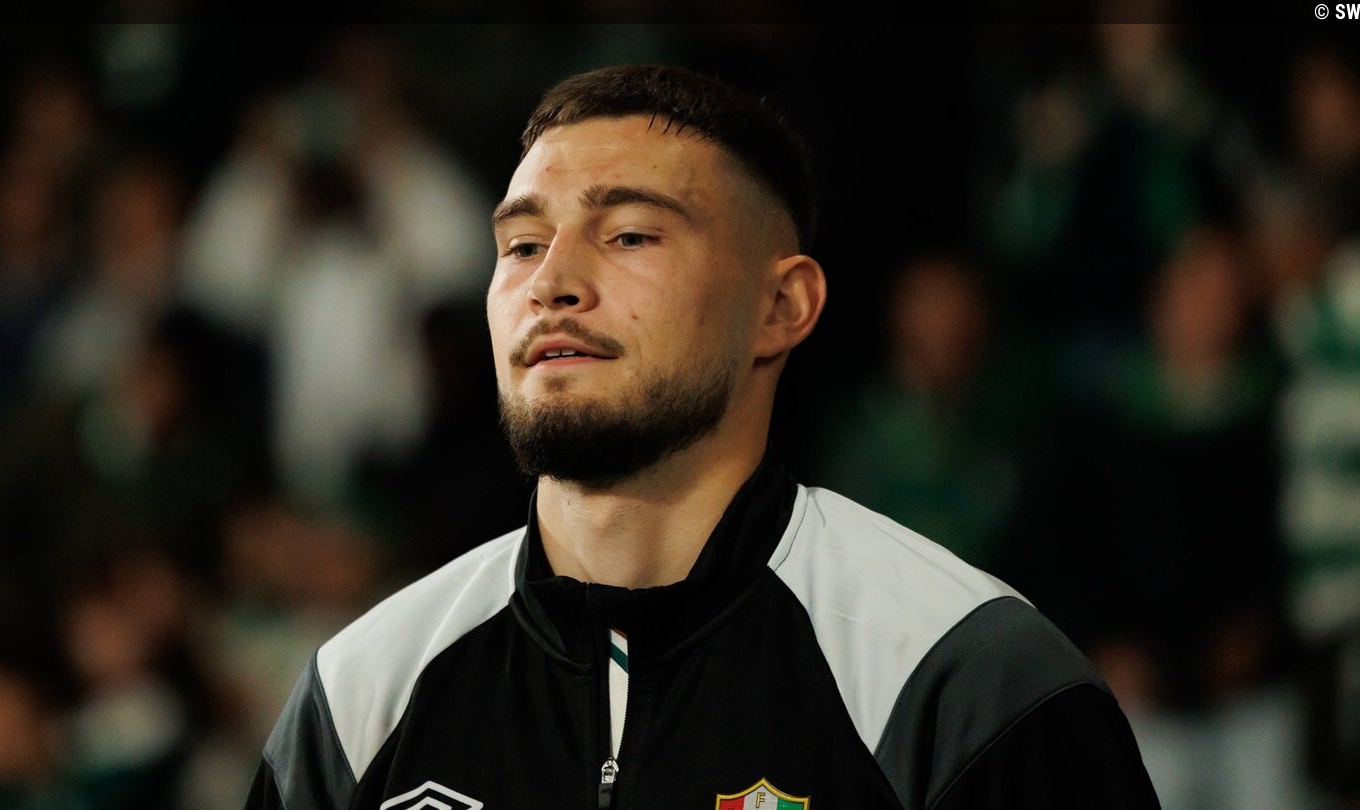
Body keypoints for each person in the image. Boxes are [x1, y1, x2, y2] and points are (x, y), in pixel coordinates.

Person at [245, 64, 1159, 810]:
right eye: (521, 246)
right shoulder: (359, 695)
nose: (551, 282)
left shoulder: (964, 679)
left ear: (782, 305)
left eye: (629, 236)